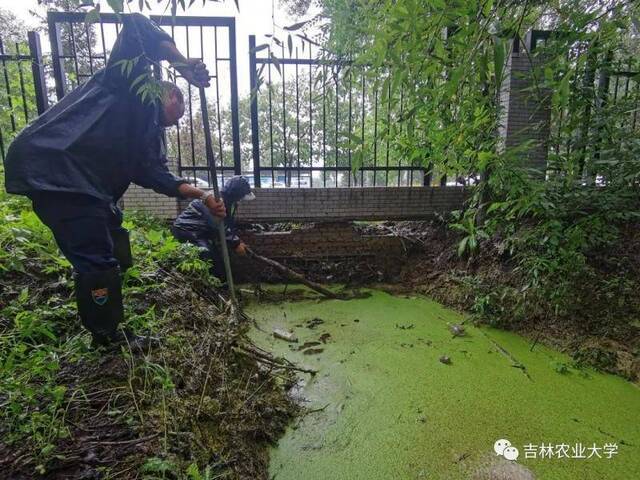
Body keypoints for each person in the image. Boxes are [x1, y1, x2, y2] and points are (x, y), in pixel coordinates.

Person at [2, 14, 226, 349]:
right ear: (167, 95)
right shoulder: (130, 84)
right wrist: (182, 63)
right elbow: (137, 25)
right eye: (176, 115)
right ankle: (107, 336)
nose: (173, 124)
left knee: (113, 231)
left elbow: (158, 177)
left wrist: (203, 194)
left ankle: (108, 293)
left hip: (85, 183)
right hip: (56, 166)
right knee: (96, 255)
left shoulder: (148, 135)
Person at [172, 176, 254, 280]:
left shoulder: (231, 203)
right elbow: (216, 224)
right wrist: (236, 243)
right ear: (236, 194)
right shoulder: (215, 199)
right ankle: (211, 288)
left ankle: (221, 286)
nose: (241, 199)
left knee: (218, 262)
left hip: (202, 233)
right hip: (187, 231)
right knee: (209, 259)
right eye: (241, 196)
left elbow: (228, 223)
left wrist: (237, 239)